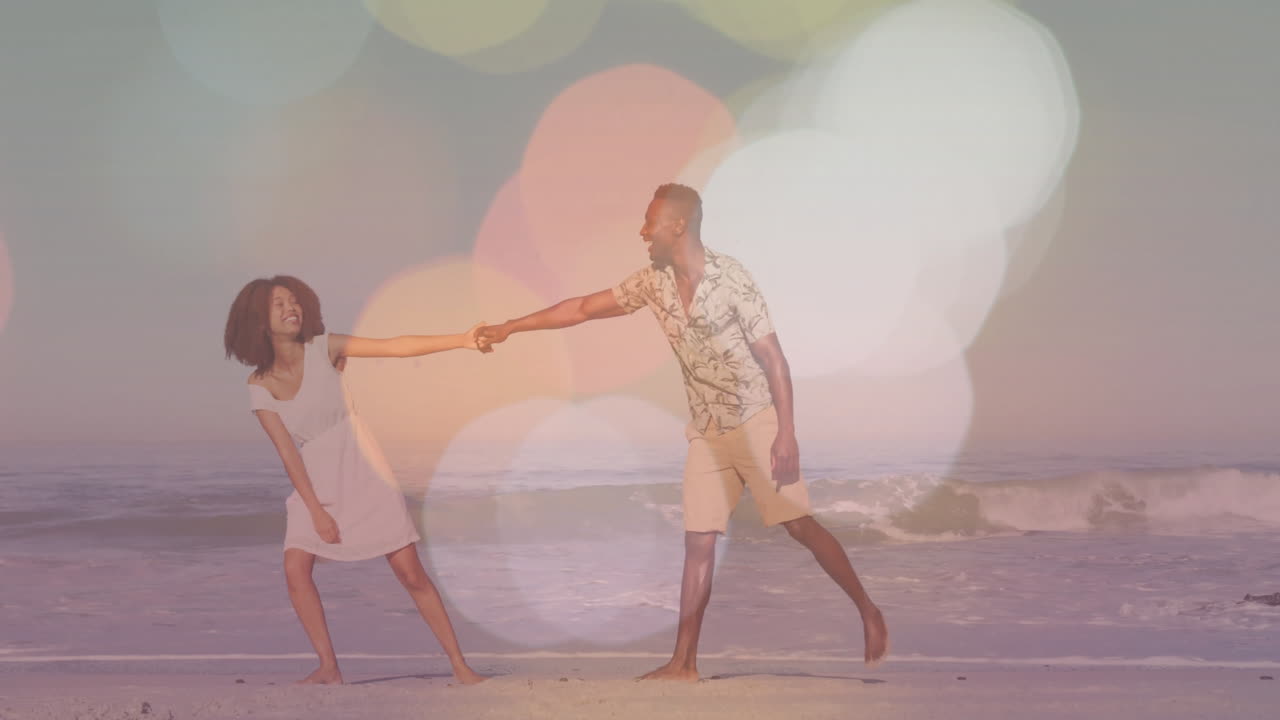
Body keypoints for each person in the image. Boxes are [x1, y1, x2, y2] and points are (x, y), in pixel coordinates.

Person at [476, 184, 888, 681]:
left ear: (678, 225)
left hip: (756, 422)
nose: (642, 232)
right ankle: (683, 663)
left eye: (650, 222)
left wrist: (786, 434)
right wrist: (511, 327)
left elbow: (773, 358)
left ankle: (867, 609)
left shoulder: (732, 278)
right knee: (699, 541)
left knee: (799, 526)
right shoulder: (654, 282)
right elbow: (582, 308)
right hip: (707, 431)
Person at [223, 275, 487, 685]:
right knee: (295, 569)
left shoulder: (323, 347)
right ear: (259, 320)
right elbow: (288, 452)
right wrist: (315, 511)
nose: (291, 308)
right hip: (314, 479)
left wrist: (461, 339)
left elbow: (396, 347)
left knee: (410, 572)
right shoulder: (259, 385)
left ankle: (460, 665)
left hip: (363, 466)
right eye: (279, 303)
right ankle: (328, 667)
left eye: (294, 300)